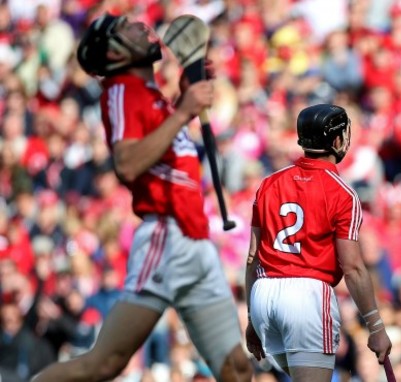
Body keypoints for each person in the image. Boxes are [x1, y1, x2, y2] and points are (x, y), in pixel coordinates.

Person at [32, 14, 252, 382]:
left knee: (237, 369)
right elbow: (128, 163)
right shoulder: (122, 90)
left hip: (195, 240)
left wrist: (183, 98)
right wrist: (183, 111)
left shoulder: (153, 97)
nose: (140, 27)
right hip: (167, 238)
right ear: (115, 54)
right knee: (104, 363)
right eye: (125, 30)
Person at [244, 104, 392, 382]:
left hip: (263, 295)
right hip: (307, 297)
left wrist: (252, 318)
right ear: (337, 141)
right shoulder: (343, 193)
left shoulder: (268, 182)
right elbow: (353, 269)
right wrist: (376, 327)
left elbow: (253, 256)